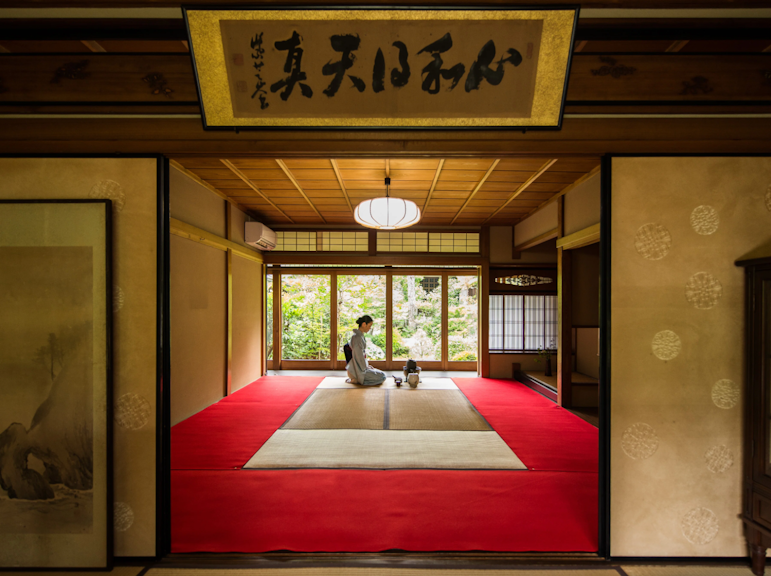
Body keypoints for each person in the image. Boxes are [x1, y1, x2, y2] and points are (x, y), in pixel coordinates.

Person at [346, 315, 386, 386]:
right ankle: (356, 379)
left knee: (381, 374)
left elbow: (361, 356)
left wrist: (367, 366)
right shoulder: (357, 338)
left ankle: (358, 378)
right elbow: (358, 357)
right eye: (369, 326)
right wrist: (365, 368)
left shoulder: (359, 336)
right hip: (357, 371)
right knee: (382, 376)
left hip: (360, 368)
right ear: (364, 324)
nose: (370, 328)